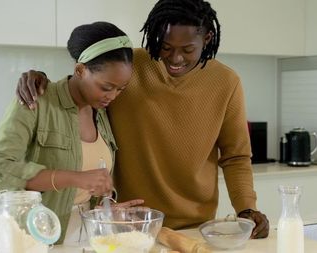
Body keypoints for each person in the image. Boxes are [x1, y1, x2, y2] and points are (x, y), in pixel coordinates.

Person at [17, 0, 269, 239]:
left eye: (188, 49)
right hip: (126, 221)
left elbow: (235, 156)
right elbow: (84, 87)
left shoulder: (226, 82)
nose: (175, 58)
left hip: (194, 225)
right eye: (166, 46)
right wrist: (42, 81)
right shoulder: (130, 66)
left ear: (207, 38)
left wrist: (246, 208)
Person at [0, 21, 144, 251]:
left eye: (120, 89)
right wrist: (75, 177)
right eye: (106, 87)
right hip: (34, 241)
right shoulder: (35, 99)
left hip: (87, 240)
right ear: (80, 70)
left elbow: (91, 185)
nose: (113, 96)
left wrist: (106, 208)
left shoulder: (102, 111)